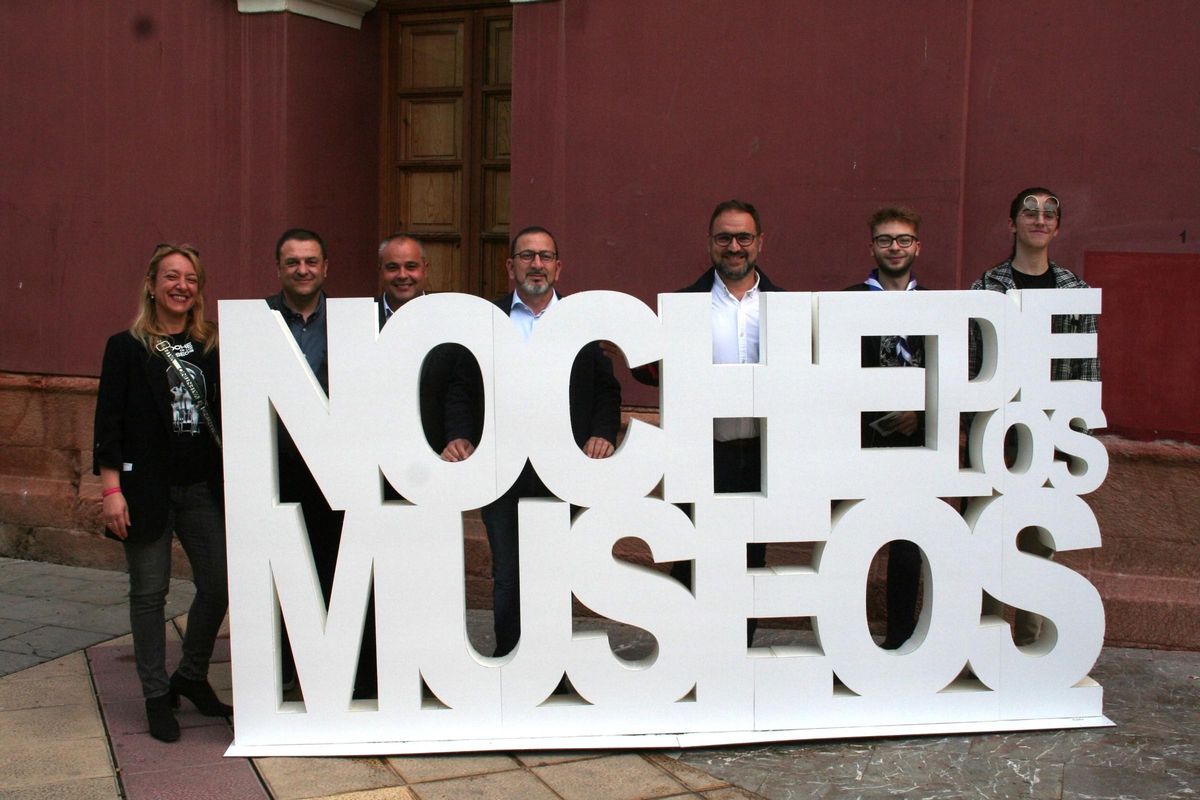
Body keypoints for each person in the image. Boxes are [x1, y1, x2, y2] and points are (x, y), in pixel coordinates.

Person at [442, 226, 621, 657]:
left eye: (545, 256)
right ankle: (510, 664)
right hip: (502, 469)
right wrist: (459, 435)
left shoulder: (581, 323)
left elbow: (606, 389)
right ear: (510, 266)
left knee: (556, 570)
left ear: (559, 266)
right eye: (526, 256)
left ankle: (552, 666)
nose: (536, 264)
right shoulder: (489, 320)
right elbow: (462, 387)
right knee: (507, 571)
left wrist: (601, 432)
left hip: (564, 467)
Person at [624, 199, 785, 647]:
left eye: (743, 238)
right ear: (710, 243)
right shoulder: (682, 305)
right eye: (724, 238)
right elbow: (647, 369)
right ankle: (685, 652)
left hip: (759, 453)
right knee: (691, 551)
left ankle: (739, 652)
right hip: (701, 451)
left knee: (750, 556)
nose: (734, 247)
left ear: (760, 243)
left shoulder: (785, 306)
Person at [93, 243, 231, 742]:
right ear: (151, 285)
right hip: (145, 489)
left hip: (201, 490)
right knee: (149, 595)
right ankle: (156, 695)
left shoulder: (212, 345)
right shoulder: (126, 347)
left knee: (219, 583)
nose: (181, 286)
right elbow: (108, 423)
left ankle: (190, 674)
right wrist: (112, 492)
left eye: (191, 278)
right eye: (171, 276)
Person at [970, 187, 1100, 646]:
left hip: (1051, 435)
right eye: (1029, 211)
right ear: (1013, 224)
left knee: (1038, 542)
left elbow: (1086, 371)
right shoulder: (986, 288)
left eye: (1049, 214)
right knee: (987, 536)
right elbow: (972, 361)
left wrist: (1077, 436)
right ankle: (981, 640)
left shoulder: (1075, 291)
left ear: (1057, 227)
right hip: (996, 436)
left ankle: (1029, 642)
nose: (1039, 219)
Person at [265, 229, 357, 691]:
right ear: (279, 268)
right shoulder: (257, 322)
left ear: (325, 268)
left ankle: (327, 671)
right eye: (293, 262)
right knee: (279, 574)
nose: (303, 270)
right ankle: (282, 671)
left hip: (332, 473)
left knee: (329, 567)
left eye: (311, 261)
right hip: (273, 470)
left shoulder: (349, 323)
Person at [844, 206, 930, 650]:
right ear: (871, 246)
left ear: (917, 246)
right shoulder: (848, 302)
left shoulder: (937, 307)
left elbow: (948, 375)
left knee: (909, 544)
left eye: (902, 240)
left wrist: (923, 414)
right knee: (851, 539)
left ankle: (901, 635)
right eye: (884, 240)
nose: (894, 248)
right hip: (861, 440)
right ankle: (850, 638)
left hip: (918, 442)